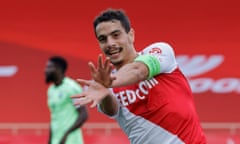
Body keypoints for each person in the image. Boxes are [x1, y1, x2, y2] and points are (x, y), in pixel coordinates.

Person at [72, 8, 206, 144]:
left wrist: (109, 83)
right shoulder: (105, 84)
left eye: (116, 35)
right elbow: (112, 110)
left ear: (131, 35)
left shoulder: (159, 51)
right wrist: (106, 93)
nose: (110, 43)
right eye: (103, 39)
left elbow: (138, 70)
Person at [45, 56, 88, 144]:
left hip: (71, 140)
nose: (45, 70)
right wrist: (49, 140)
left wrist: (66, 134)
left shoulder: (72, 88)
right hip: (56, 140)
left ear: (58, 69)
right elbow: (54, 117)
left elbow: (83, 115)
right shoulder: (51, 90)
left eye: (49, 67)